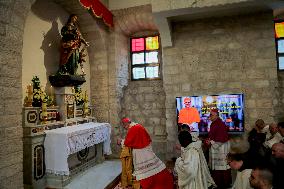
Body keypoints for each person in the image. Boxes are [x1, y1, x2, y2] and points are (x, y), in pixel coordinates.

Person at [117, 117, 174, 189]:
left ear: (126, 124)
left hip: (141, 153)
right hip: (146, 150)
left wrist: (121, 141)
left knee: (145, 171)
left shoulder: (133, 129)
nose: (125, 128)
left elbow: (128, 142)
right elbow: (135, 139)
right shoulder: (138, 126)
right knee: (154, 166)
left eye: (124, 126)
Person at [205, 108, 231, 189]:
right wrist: (209, 141)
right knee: (218, 169)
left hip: (220, 150)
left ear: (216, 116)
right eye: (210, 115)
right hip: (217, 149)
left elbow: (220, 140)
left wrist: (210, 142)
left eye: (211, 115)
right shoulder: (214, 123)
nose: (210, 117)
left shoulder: (219, 124)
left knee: (221, 169)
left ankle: (221, 185)